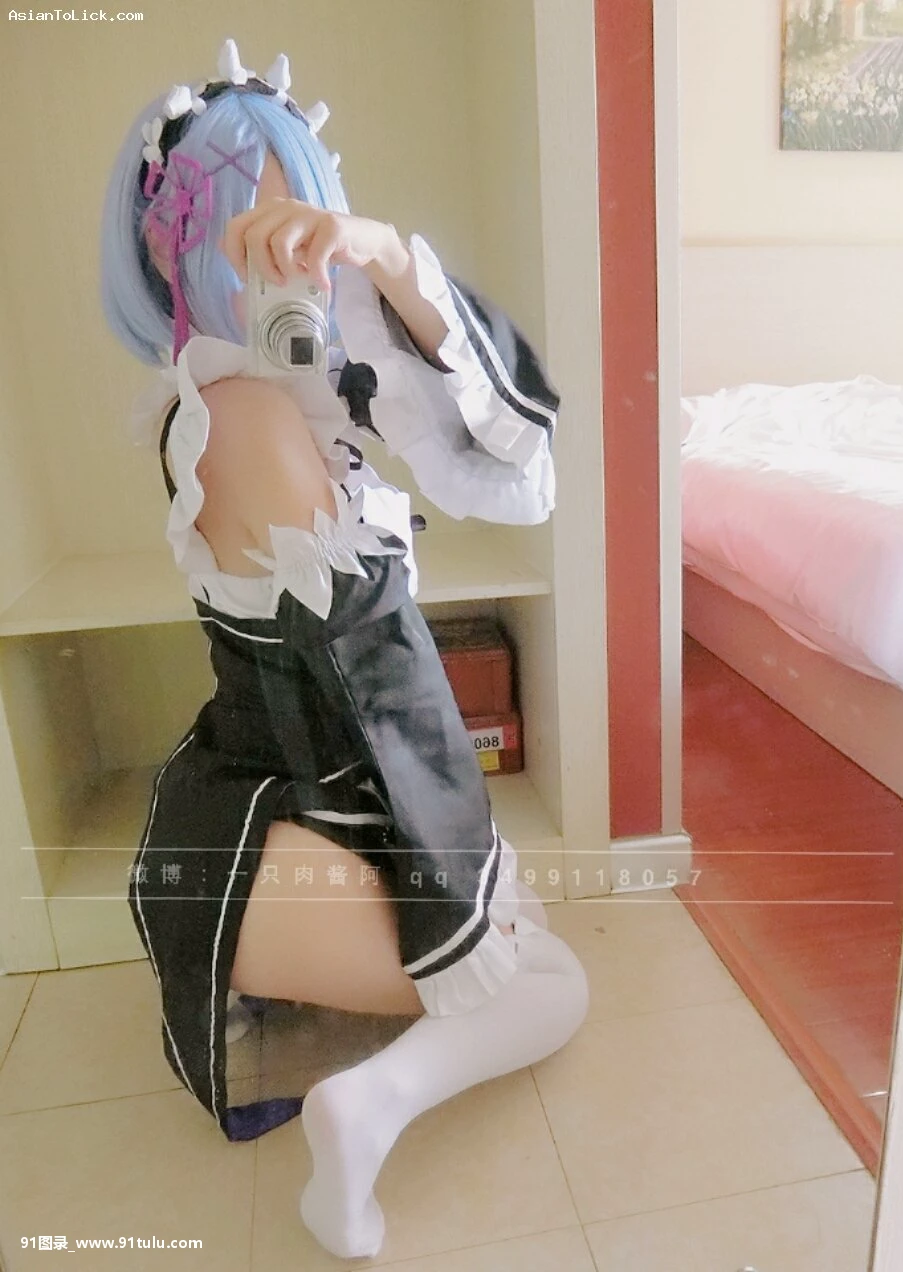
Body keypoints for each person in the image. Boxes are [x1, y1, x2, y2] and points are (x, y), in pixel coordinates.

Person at [100, 37, 590, 1261]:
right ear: (181, 248)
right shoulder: (249, 420)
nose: (292, 253)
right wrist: (456, 880)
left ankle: (347, 1031)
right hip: (286, 837)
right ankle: (366, 1109)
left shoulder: (265, 398)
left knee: (520, 938)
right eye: (252, 223)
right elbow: (383, 689)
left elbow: (523, 469)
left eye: (303, 214)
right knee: (544, 983)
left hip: (285, 817)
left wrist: (384, 258)